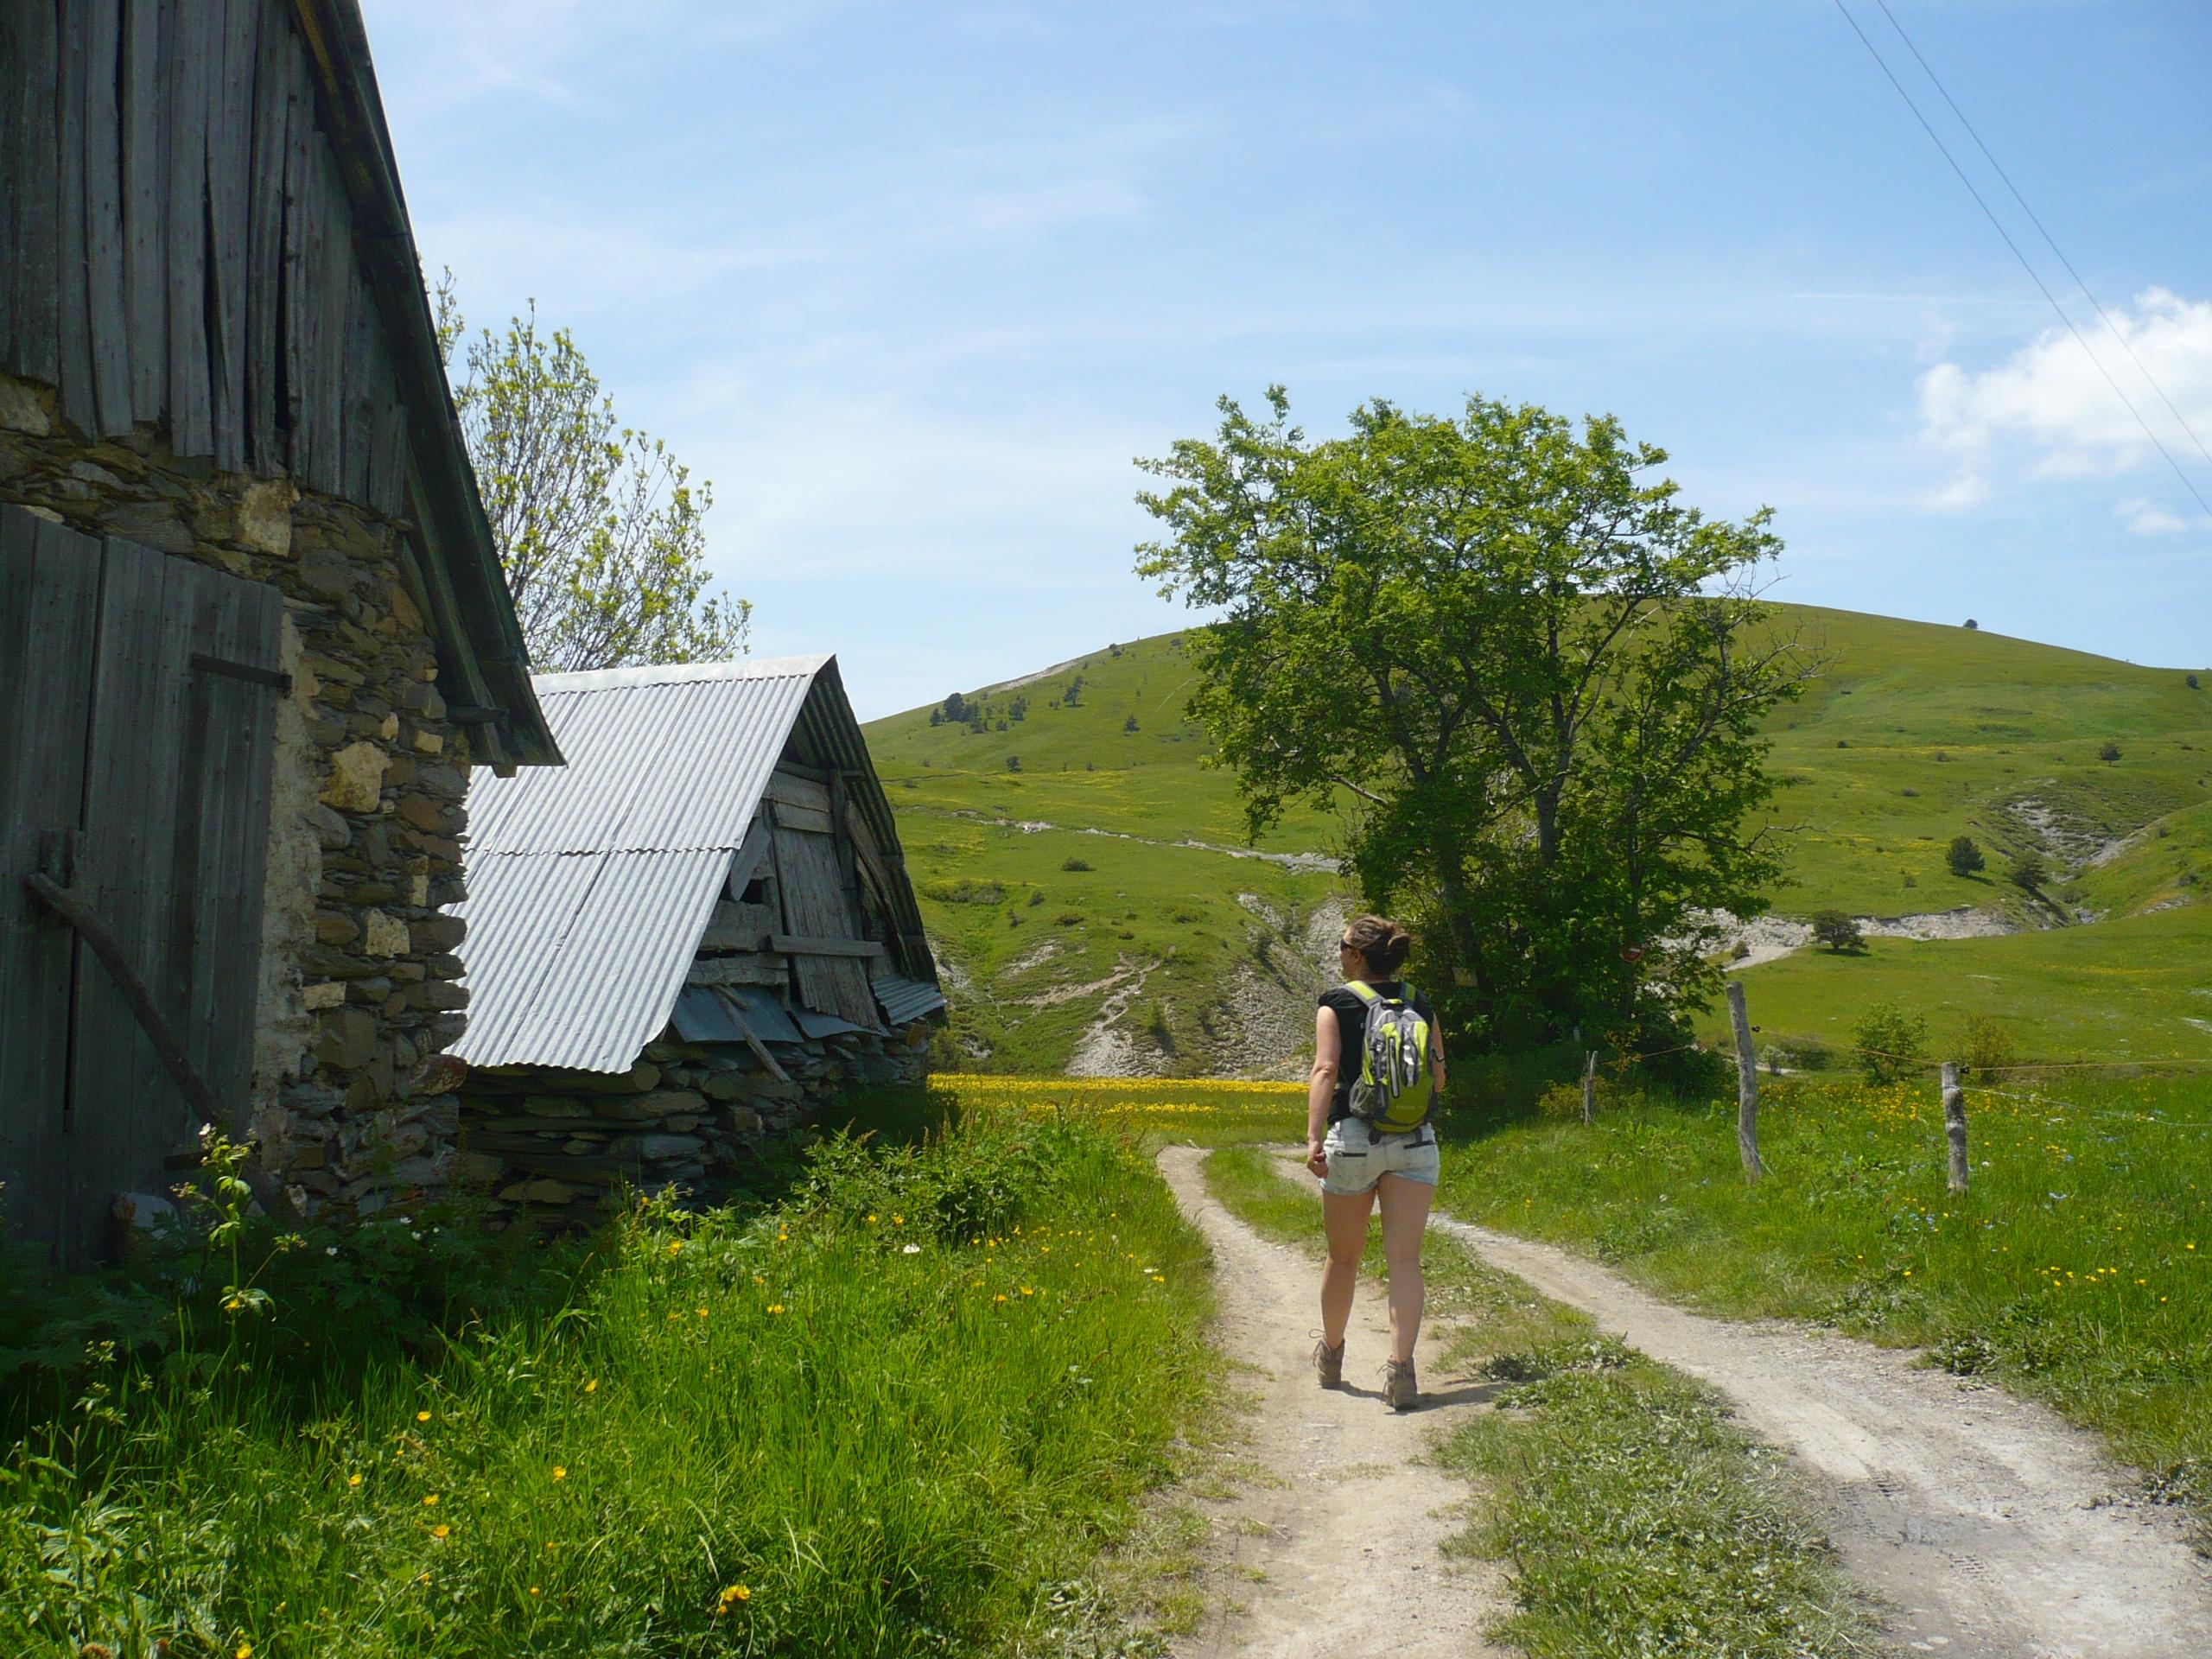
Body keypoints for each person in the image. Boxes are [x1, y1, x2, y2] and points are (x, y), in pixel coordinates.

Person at [1306, 914, 1446, 1409]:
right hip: (1415, 1140)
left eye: (1343, 945)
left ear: (1358, 956)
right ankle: (1402, 1371)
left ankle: (1332, 1354)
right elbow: (1440, 1078)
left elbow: (1325, 1069)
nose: (1339, 952)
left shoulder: (1336, 1003)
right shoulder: (1420, 1001)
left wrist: (1313, 1137)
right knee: (1405, 1260)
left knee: (1343, 1257)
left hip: (1356, 1139)